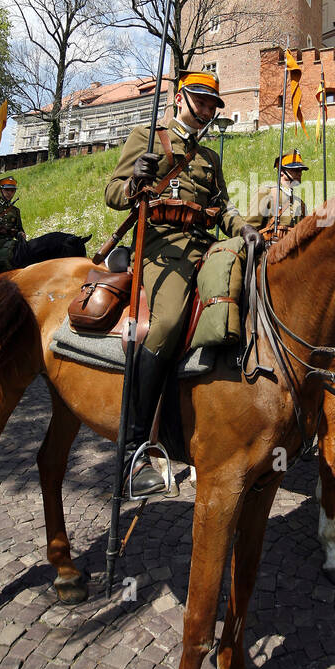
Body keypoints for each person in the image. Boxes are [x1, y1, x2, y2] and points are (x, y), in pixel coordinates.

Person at [105, 69, 265, 496]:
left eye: (214, 104)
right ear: (181, 99)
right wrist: (136, 180)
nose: (209, 109)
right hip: (160, 246)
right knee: (170, 319)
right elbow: (112, 193)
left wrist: (244, 229)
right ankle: (134, 445)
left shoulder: (210, 158)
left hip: (202, 246)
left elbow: (222, 207)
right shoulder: (148, 137)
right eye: (202, 101)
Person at [246, 149, 309, 235]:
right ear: (282, 172)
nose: (300, 174)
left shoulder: (300, 203)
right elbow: (250, 229)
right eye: (295, 170)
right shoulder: (266, 194)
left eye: (301, 170)